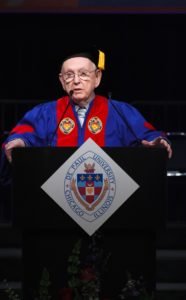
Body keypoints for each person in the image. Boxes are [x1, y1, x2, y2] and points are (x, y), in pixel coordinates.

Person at [0, 45, 172, 183]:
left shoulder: (121, 112)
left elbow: (149, 135)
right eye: (69, 75)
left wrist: (157, 143)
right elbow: (22, 135)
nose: (75, 81)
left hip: (111, 202)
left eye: (83, 74)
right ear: (61, 81)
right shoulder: (45, 113)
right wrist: (18, 142)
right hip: (56, 204)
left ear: (97, 77)